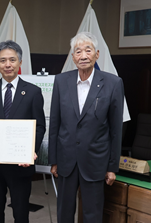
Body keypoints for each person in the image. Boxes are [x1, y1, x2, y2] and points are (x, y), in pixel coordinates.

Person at [48, 32, 124, 223]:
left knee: (92, 214)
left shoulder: (113, 83)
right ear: (73, 57)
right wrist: (53, 160)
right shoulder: (61, 81)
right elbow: (55, 124)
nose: (83, 55)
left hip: (95, 161)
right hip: (66, 160)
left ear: (97, 54)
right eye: (78, 51)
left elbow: (116, 130)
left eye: (88, 50)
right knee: (64, 212)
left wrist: (112, 166)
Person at [0, 40, 46, 223]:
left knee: (21, 212)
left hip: (20, 164)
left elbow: (39, 126)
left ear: (20, 62)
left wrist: (31, 152)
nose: (8, 64)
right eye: (3, 60)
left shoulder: (33, 92)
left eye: (12, 60)